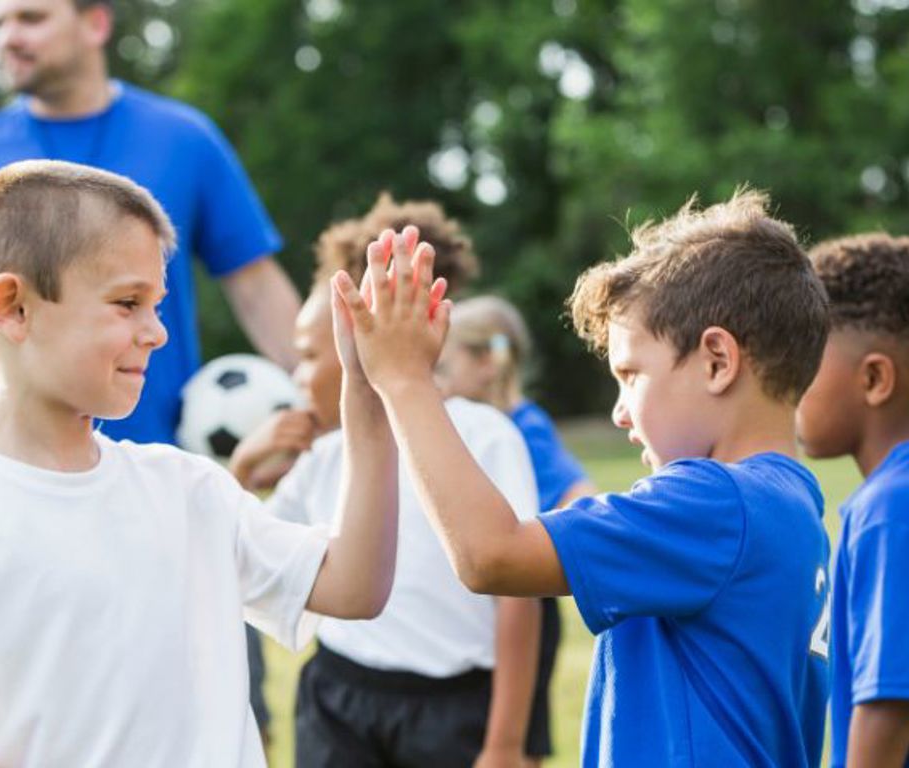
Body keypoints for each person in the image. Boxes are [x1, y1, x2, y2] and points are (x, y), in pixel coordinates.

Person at [0, 160, 407, 768]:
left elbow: (355, 585)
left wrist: (369, 399)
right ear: (14, 307)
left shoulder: (187, 487)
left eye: (157, 305)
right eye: (127, 303)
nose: (157, 332)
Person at [334, 190, 833, 767]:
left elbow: (491, 555)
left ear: (717, 361)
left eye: (631, 375)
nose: (621, 411)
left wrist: (403, 379)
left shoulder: (715, 502)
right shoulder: (795, 508)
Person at [0, 0, 300, 483]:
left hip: (157, 469)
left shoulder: (185, 140)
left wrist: (327, 411)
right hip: (5, 475)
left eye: (31, 18)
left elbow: (257, 289)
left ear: (96, 23)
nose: (8, 37)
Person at [235, 195, 542, 768]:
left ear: (355, 340)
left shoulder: (485, 435)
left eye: (306, 354)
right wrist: (242, 472)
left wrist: (504, 743)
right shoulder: (321, 455)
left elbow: (518, 603)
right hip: (339, 701)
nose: (297, 375)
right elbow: (246, 555)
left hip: (452, 711)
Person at [437, 294, 597, 766]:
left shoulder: (523, 428)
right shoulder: (473, 425)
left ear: (487, 362)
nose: (437, 383)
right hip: (481, 603)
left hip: (523, 604)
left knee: (521, 734)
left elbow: (578, 493)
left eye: (444, 368)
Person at [796, 233, 909, 768]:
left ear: (873, 378)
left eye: (805, 362)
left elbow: (888, 707)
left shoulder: (891, 506)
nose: (789, 383)